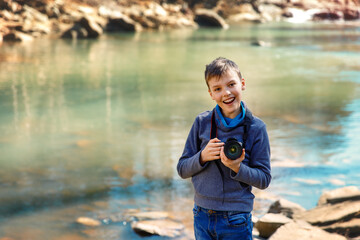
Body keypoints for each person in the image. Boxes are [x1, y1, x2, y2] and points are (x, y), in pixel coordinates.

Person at [177, 57, 271, 240]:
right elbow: (182, 169)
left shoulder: (256, 128)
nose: (226, 93)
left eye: (231, 84)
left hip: (236, 218)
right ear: (210, 93)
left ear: (242, 84)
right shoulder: (202, 122)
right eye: (217, 89)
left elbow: (264, 179)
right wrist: (202, 157)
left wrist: (237, 168)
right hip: (201, 215)